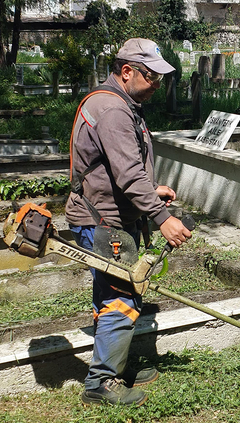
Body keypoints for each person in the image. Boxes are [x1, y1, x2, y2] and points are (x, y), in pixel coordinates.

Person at [66, 38, 192, 406]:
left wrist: (153, 190)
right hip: (104, 221)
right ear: (127, 71)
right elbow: (127, 175)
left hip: (111, 216)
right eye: (152, 77)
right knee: (119, 298)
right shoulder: (113, 110)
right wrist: (161, 217)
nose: (157, 85)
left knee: (121, 291)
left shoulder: (119, 104)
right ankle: (101, 382)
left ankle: (117, 364)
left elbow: (118, 169)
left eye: (160, 79)